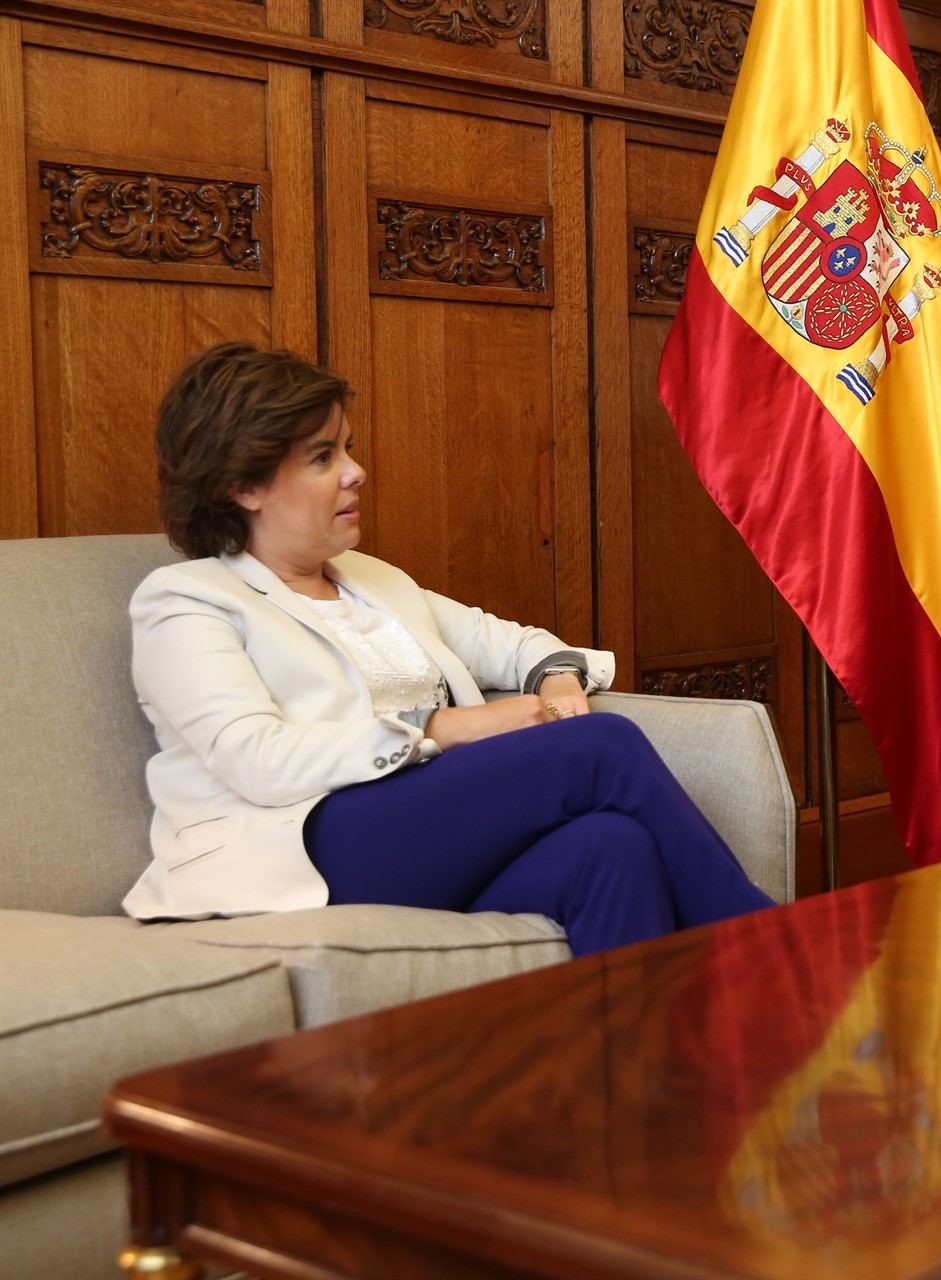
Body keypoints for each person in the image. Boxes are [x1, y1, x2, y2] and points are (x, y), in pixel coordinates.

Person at [124, 342, 775, 953]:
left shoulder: (374, 582)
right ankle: (776, 954)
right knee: (602, 746)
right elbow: (256, 760)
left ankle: (649, 1071)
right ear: (245, 485)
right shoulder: (187, 600)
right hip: (304, 846)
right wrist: (448, 726)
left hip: (428, 834)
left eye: (348, 448)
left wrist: (555, 686)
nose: (356, 472)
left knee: (611, 847)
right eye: (322, 458)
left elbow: (519, 646)